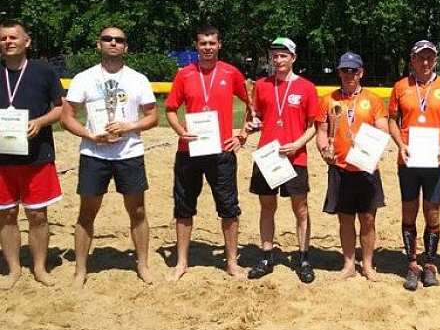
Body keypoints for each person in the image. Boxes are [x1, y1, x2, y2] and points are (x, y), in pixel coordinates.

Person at [61, 26, 158, 288]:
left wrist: (129, 126)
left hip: (129, 153)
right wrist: (91, 136)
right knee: (87, 212)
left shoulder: (138, 79)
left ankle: (142, 265)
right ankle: (80, 270)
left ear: (126, 46)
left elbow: (152, 116)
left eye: (119, 40)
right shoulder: (84, 78)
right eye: (107, 39)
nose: (113, 43)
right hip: (94, 153)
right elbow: (66, 117)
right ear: (99, 44)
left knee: (137, 210)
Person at [165, 25, 251, 281]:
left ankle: (232, 262)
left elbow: (253, 104)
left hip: (221, 151)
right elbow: (170, 109)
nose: (208, 47)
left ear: (219, 45)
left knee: (228, 208)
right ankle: (181, 262)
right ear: (197, 45)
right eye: (203, 43)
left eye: (212, 43)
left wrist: (242, 135)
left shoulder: (231, 72)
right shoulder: (185, 74)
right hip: (189, 150)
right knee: (183, 207)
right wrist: (180, 131)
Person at [247, 37, 319, 283]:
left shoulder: (307, 87)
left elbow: (313, 125)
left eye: (283, 55)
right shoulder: (261, 85)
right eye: (275, 56)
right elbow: (255, 116)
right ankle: (266, 256)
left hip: (295, 157)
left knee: (301, 208)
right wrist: (253, 124)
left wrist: (297, 144)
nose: (278, 60)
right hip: (267, 156)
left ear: (293, 58)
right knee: (267, 207)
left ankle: (303, 257)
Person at [389, 40, 440, 291]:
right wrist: (399, 144)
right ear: (412, 60)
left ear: (436, 60)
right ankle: (412, 263)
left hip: (436, 158)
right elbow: (392, 120)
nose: (425, 62)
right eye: (420, 57)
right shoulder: (400, 87)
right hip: (408, 158)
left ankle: (430, 263)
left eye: (430, 57)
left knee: (432, 211)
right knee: (409, 210)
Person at [0, 20, 63, 288]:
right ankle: (13, 269)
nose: (8, 42)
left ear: (27, 41)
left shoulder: (44, 70)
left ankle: (39, 268)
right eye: (3, 38)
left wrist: (40, 122)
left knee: (37, 215)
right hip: (3, 158)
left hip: (37, 155)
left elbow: (60, 108)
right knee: (6, 214)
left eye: (13, 37)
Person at [316, 52, 388, 281]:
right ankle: (348, 264)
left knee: (368, 219)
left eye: (353, 70)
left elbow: (383, 130)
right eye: (344, 70)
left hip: (366, 168)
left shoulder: (373, 100)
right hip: (340, 168)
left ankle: (367, 264)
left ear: (361, 72)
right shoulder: (328, 100)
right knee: (345, 219)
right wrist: (323, 150)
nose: (349, 74)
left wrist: (370, 147)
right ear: (339, 72)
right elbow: (322, 131)